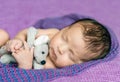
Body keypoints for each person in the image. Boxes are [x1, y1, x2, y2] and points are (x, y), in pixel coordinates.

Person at [5, 18, 111, 69]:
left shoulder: (52, 67)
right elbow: (27, 32)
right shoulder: (53, 33)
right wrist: (18, 40)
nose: (61, 49)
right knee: (3, 35)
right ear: (63, 29)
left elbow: (29, 75)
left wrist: (25, 64)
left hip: (9, 63)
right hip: (5, 50)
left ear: (78, 64)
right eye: (64, 38)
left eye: (71, 55)